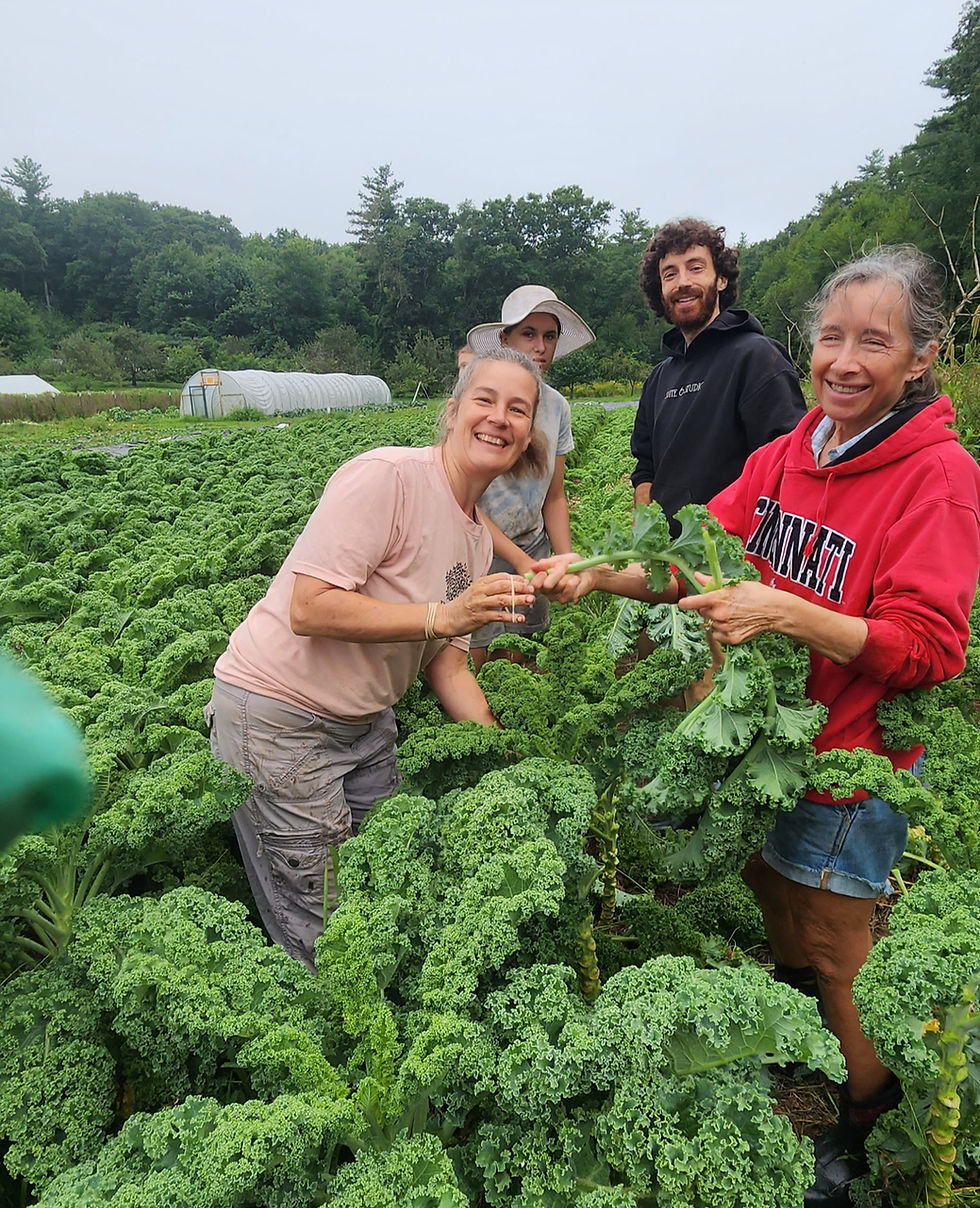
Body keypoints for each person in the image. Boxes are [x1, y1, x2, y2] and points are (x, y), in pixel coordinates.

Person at [534, 246, 980, 1207]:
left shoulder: (937, 477)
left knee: (833, 941)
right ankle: (798, 1045)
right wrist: (595, 573)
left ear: (920, 358)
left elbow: (930, 646)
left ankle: (864, 1119)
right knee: (770, 891)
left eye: (876, 340)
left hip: (851, 756)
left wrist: (783, 612)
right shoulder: (792, 452)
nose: (846, 359)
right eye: (831, 336)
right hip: (762, 743)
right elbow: (695, 554)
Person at [205, 347, 542, 969]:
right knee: (325, 922)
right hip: (280, 715)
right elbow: (310, 606)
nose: (499, 418)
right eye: (485, 400)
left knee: (388, 882)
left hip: (364, 726)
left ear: (526, 438)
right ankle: (330, 1042)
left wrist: (502, 752)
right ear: (452, 412)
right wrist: (442, 615)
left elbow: (449, 666)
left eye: (518, 410)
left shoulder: (474, 540)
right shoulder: (389, 478)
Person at [630, 217, 806, 530]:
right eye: (670, 274)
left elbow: (785, 467)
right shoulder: (659, 378)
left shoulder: (757, 357)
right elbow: (645, 469)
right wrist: (646, 532)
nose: (682, 281)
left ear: (721, 279)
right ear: (660, 289)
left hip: (729, 559)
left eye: (695, 268)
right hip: (669, 563)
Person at [465, 284, 595, 670]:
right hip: (479, 553)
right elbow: (464, 503)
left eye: (549, 336)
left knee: (520, 661)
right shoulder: (485, 406)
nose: (540, 346)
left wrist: (565, 560)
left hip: (532, 550)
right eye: (529, 334)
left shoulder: (557, 407)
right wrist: (520, 561)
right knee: (474, 659)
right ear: (505, 340)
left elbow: (554, 497)